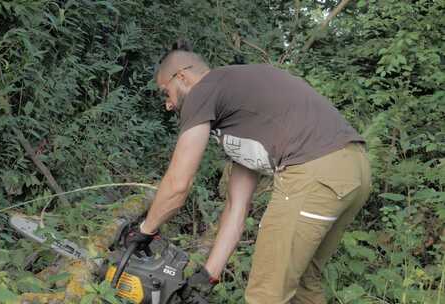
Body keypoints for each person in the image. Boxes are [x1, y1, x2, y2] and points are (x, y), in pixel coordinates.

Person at [124, 47, 371, 304]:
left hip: (315, 170)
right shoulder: (240, 107)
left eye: (167, 92)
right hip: (354, 171)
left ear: (182, 77)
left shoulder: (204, 89)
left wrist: (145, 229)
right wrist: (209, 275)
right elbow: (236, 208)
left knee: (265, 295)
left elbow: (177, 185)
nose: (168, 104)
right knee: (303, 286)